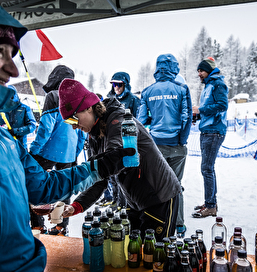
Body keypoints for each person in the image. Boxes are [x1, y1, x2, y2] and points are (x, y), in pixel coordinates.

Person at [0, 1, 134, 272]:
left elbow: (41, 187)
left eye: (13, 54)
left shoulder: (1, 136)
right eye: (0, 51)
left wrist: (96, 168)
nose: (14, 71)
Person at [58, 78, 182, 241]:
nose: (73, 126)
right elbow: (100, 179)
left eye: (73, 119)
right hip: (135, 201)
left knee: (154, 257)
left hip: (160, 197)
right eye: (68, 122)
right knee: (133, 254)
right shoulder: (94, 135)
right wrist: (76, 206)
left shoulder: (119, 120)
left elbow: (116, 153)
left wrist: (78, 176)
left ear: (88, 107)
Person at [137, 53, 192, 235]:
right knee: (176, 185)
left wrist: (151, 140)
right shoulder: (182, 89)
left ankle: (159, 222)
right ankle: (179, 224)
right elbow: (187, 118)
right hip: (176, 146)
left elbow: (141, 121)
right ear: (174, 68)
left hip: (156, 147)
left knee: (157, 185)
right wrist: (180, 141)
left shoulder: (147, 91)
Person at [29, 65, 86, 236]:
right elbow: (82, 132)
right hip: (68, 153)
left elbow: (45, 128)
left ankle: (37, 225)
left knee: (35, 184)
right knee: (65, 188)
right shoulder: (78, 101)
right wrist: (75, 152)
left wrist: (34, 150)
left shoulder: (54, 96)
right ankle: (61, 226)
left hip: (47, 151)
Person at [97, 72, 142, 209]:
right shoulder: (109, 99)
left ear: (126, 85)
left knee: (125, 173)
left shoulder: (133, 99)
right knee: (112, 174)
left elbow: (138, 120)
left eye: (119, 84)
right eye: (113, 84)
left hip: (128, 139)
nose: (116, 87)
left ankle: (126, 203)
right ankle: (116, 200)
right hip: (111, 139)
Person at [191, 57, 229, 218]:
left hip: (214, 131)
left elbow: (222, 105)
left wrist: (200, 110)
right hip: (207, 129)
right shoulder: (209, 85)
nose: (199, 73)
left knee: (207, 168)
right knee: (207, 168)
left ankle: (211, 206)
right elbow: (209, 109)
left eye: (201, 70)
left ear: (209, 71)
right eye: (198, 71)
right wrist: (198, 116)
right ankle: (210, 201)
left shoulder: (218, 84)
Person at [0, 85, 37, 149]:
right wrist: (0, 130)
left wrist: (15, 131)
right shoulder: (0, 108)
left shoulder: (24, 108)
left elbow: (32, 126)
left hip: (20, 146)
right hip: (3, 146)